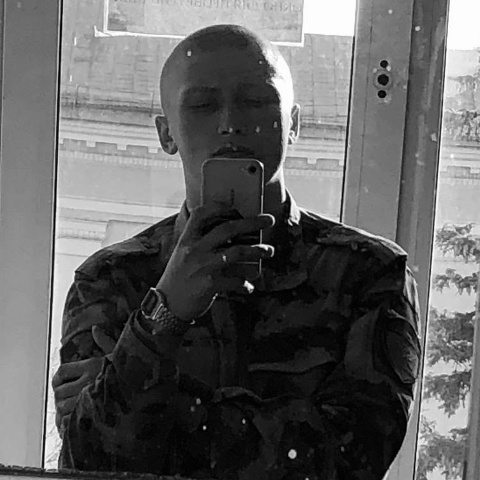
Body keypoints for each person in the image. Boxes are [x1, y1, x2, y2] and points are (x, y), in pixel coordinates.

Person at [53, 24, 422, 480]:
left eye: (256, 100)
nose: (230, 122)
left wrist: (148, 394)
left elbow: (348, 461)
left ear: (294, 124)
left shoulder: (369, 273)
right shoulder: (109, 279)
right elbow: (89, 462)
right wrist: (164, 312)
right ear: (166, 134)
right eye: (202, 105)